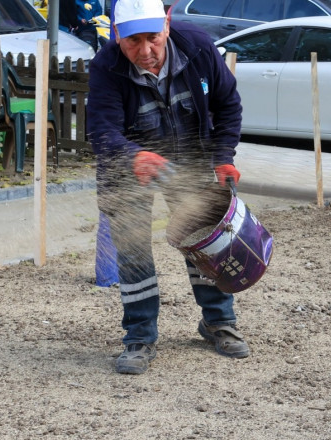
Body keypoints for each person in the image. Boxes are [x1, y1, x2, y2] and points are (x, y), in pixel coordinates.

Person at [87, 0, 247, 375]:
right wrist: (134, 156)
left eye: (153, 38)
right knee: (134, 253)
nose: (145, 51)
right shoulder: (106, 66)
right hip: (129, 168)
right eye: (133, 42)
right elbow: (101, 130)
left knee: (206, 239)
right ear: (116, 35)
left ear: (168, 25)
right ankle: (139, 337)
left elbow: (228, 104)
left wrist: (223, 156)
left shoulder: (198, 48)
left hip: (189, 157)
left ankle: (218, 322)